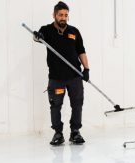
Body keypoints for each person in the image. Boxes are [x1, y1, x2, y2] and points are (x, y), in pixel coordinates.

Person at [33, 1, 90, 146]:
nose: (63, 18)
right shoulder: (46, 30)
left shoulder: (74, 31)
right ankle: (58, 133)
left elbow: (81, 51)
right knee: (55, 105)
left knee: (77, 104)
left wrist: (86, 69)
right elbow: (37, 38)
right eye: (60, 15)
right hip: (56, 77)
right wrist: (37, 36)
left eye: (66, 15)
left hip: (75, 76)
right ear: (54, 15)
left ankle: (75, 132)